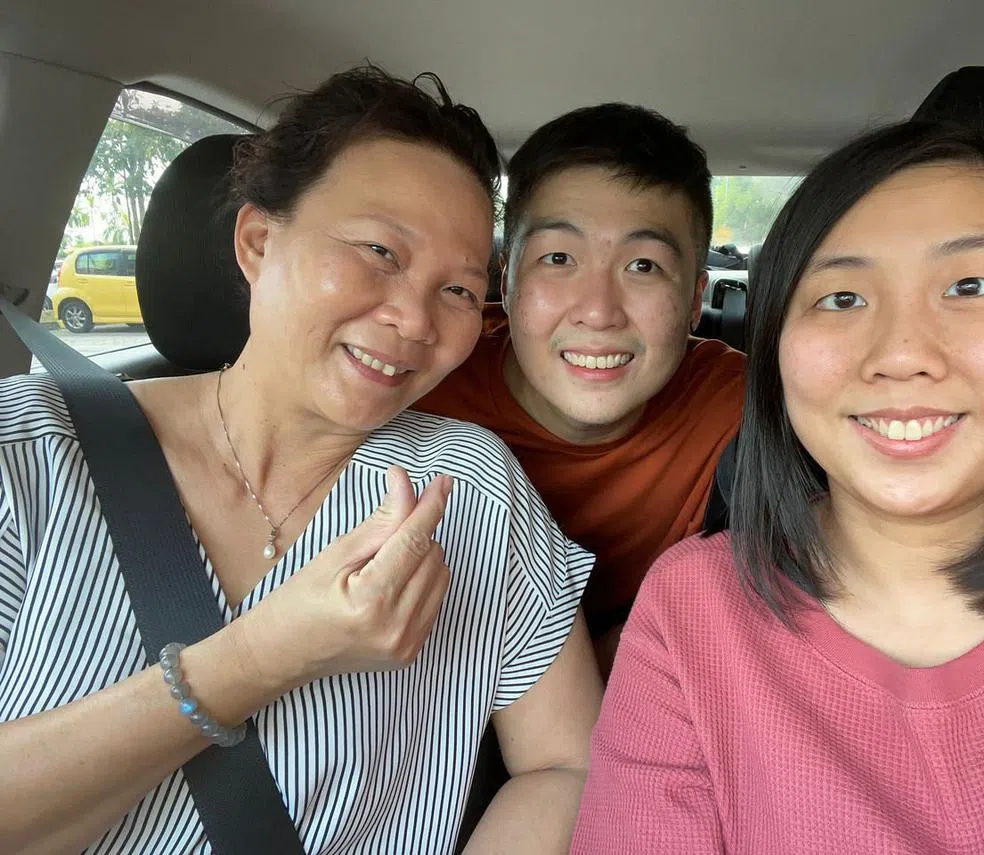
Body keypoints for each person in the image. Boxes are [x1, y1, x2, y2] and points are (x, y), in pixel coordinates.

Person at [0, 65, 602, 855]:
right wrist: (260, 657)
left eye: (459, 290)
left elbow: (565, 763)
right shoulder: (27, 453)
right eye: (379, 250)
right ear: (258, 241)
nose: (414, 319)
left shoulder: (473, 488)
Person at [571, 120, 984, 852]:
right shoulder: (693, 612)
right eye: (841, 298)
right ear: (774, 349)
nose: (901, 354)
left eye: (970, 286)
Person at [414, 104, 745, 675]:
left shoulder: (742, 405)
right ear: (506, 281)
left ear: (696, 299)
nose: (598, 311)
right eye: (559, 258)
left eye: (643, 266)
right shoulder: (420, 385)